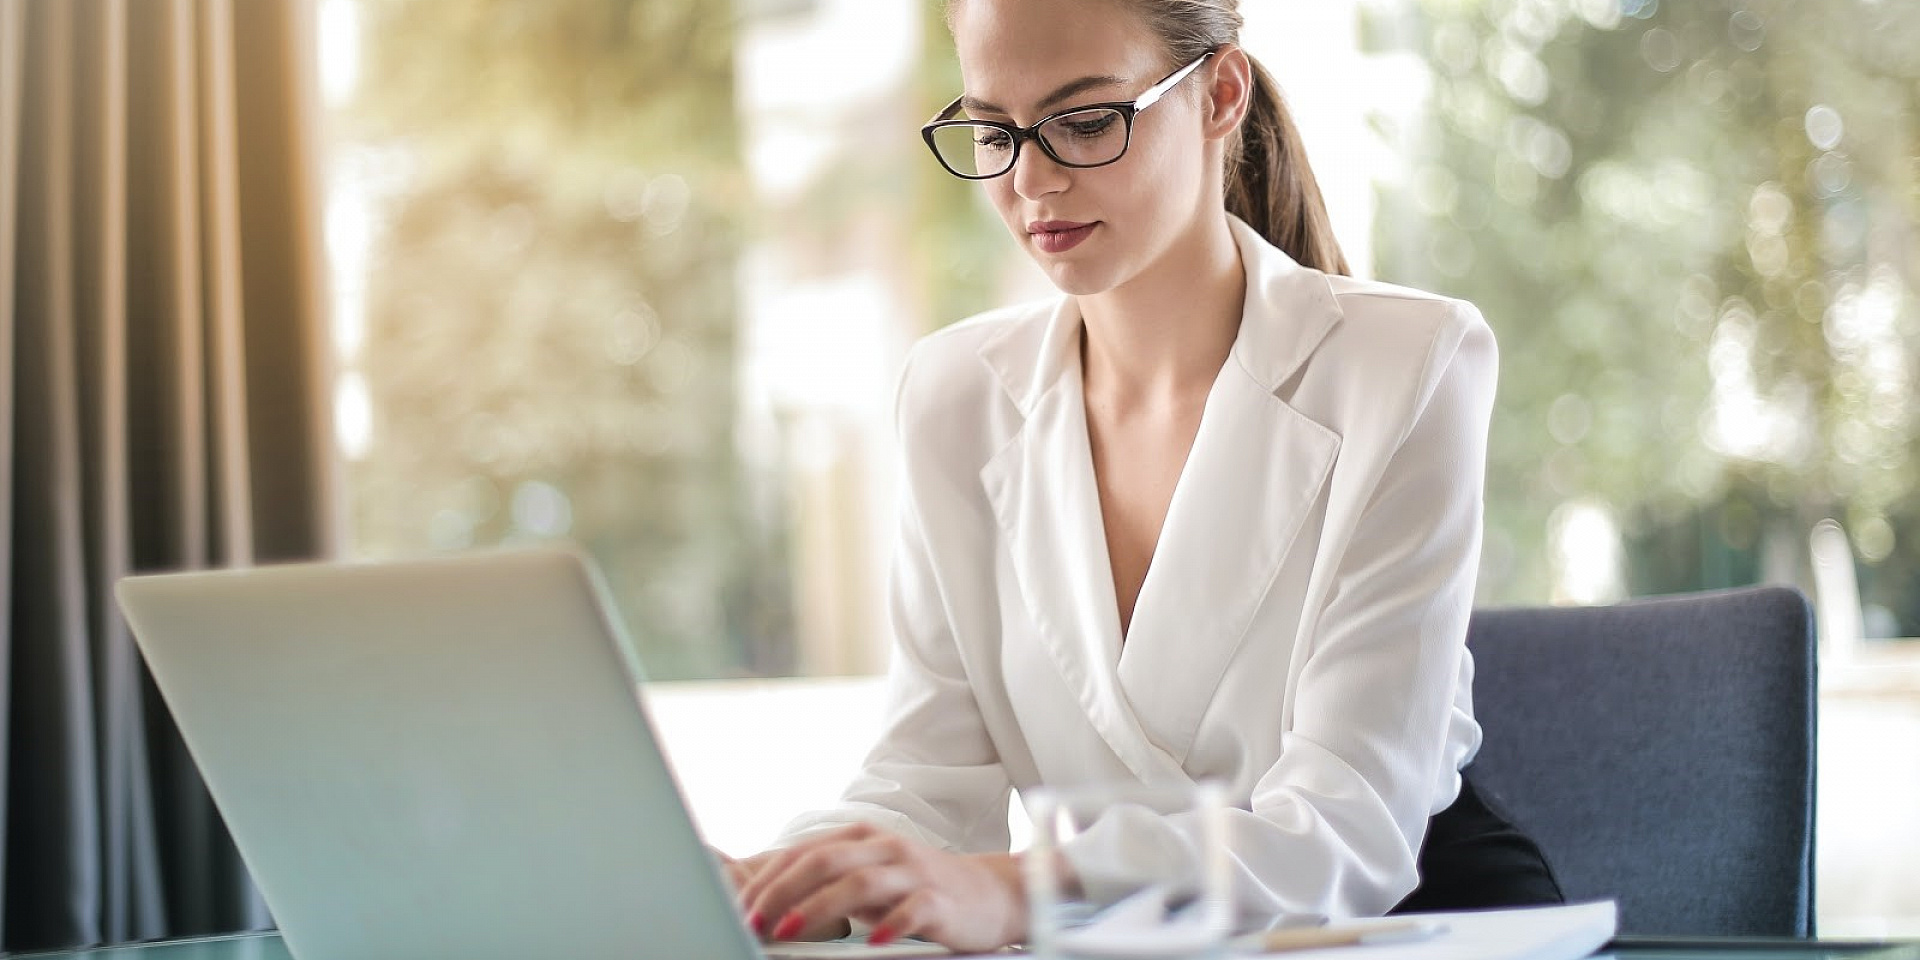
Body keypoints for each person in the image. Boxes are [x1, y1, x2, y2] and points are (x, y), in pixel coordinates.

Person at [728, 0, 1562, 951]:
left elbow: (1348, 831)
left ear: (1220, 94)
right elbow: (923, 784)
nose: (1030, 179)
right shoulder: (953, 395)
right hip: (1123, 936)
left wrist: (1022, 893)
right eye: (992, 130)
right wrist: (769, 886)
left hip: (1407, 924)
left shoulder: (1410, 363)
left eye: (1085, 122)